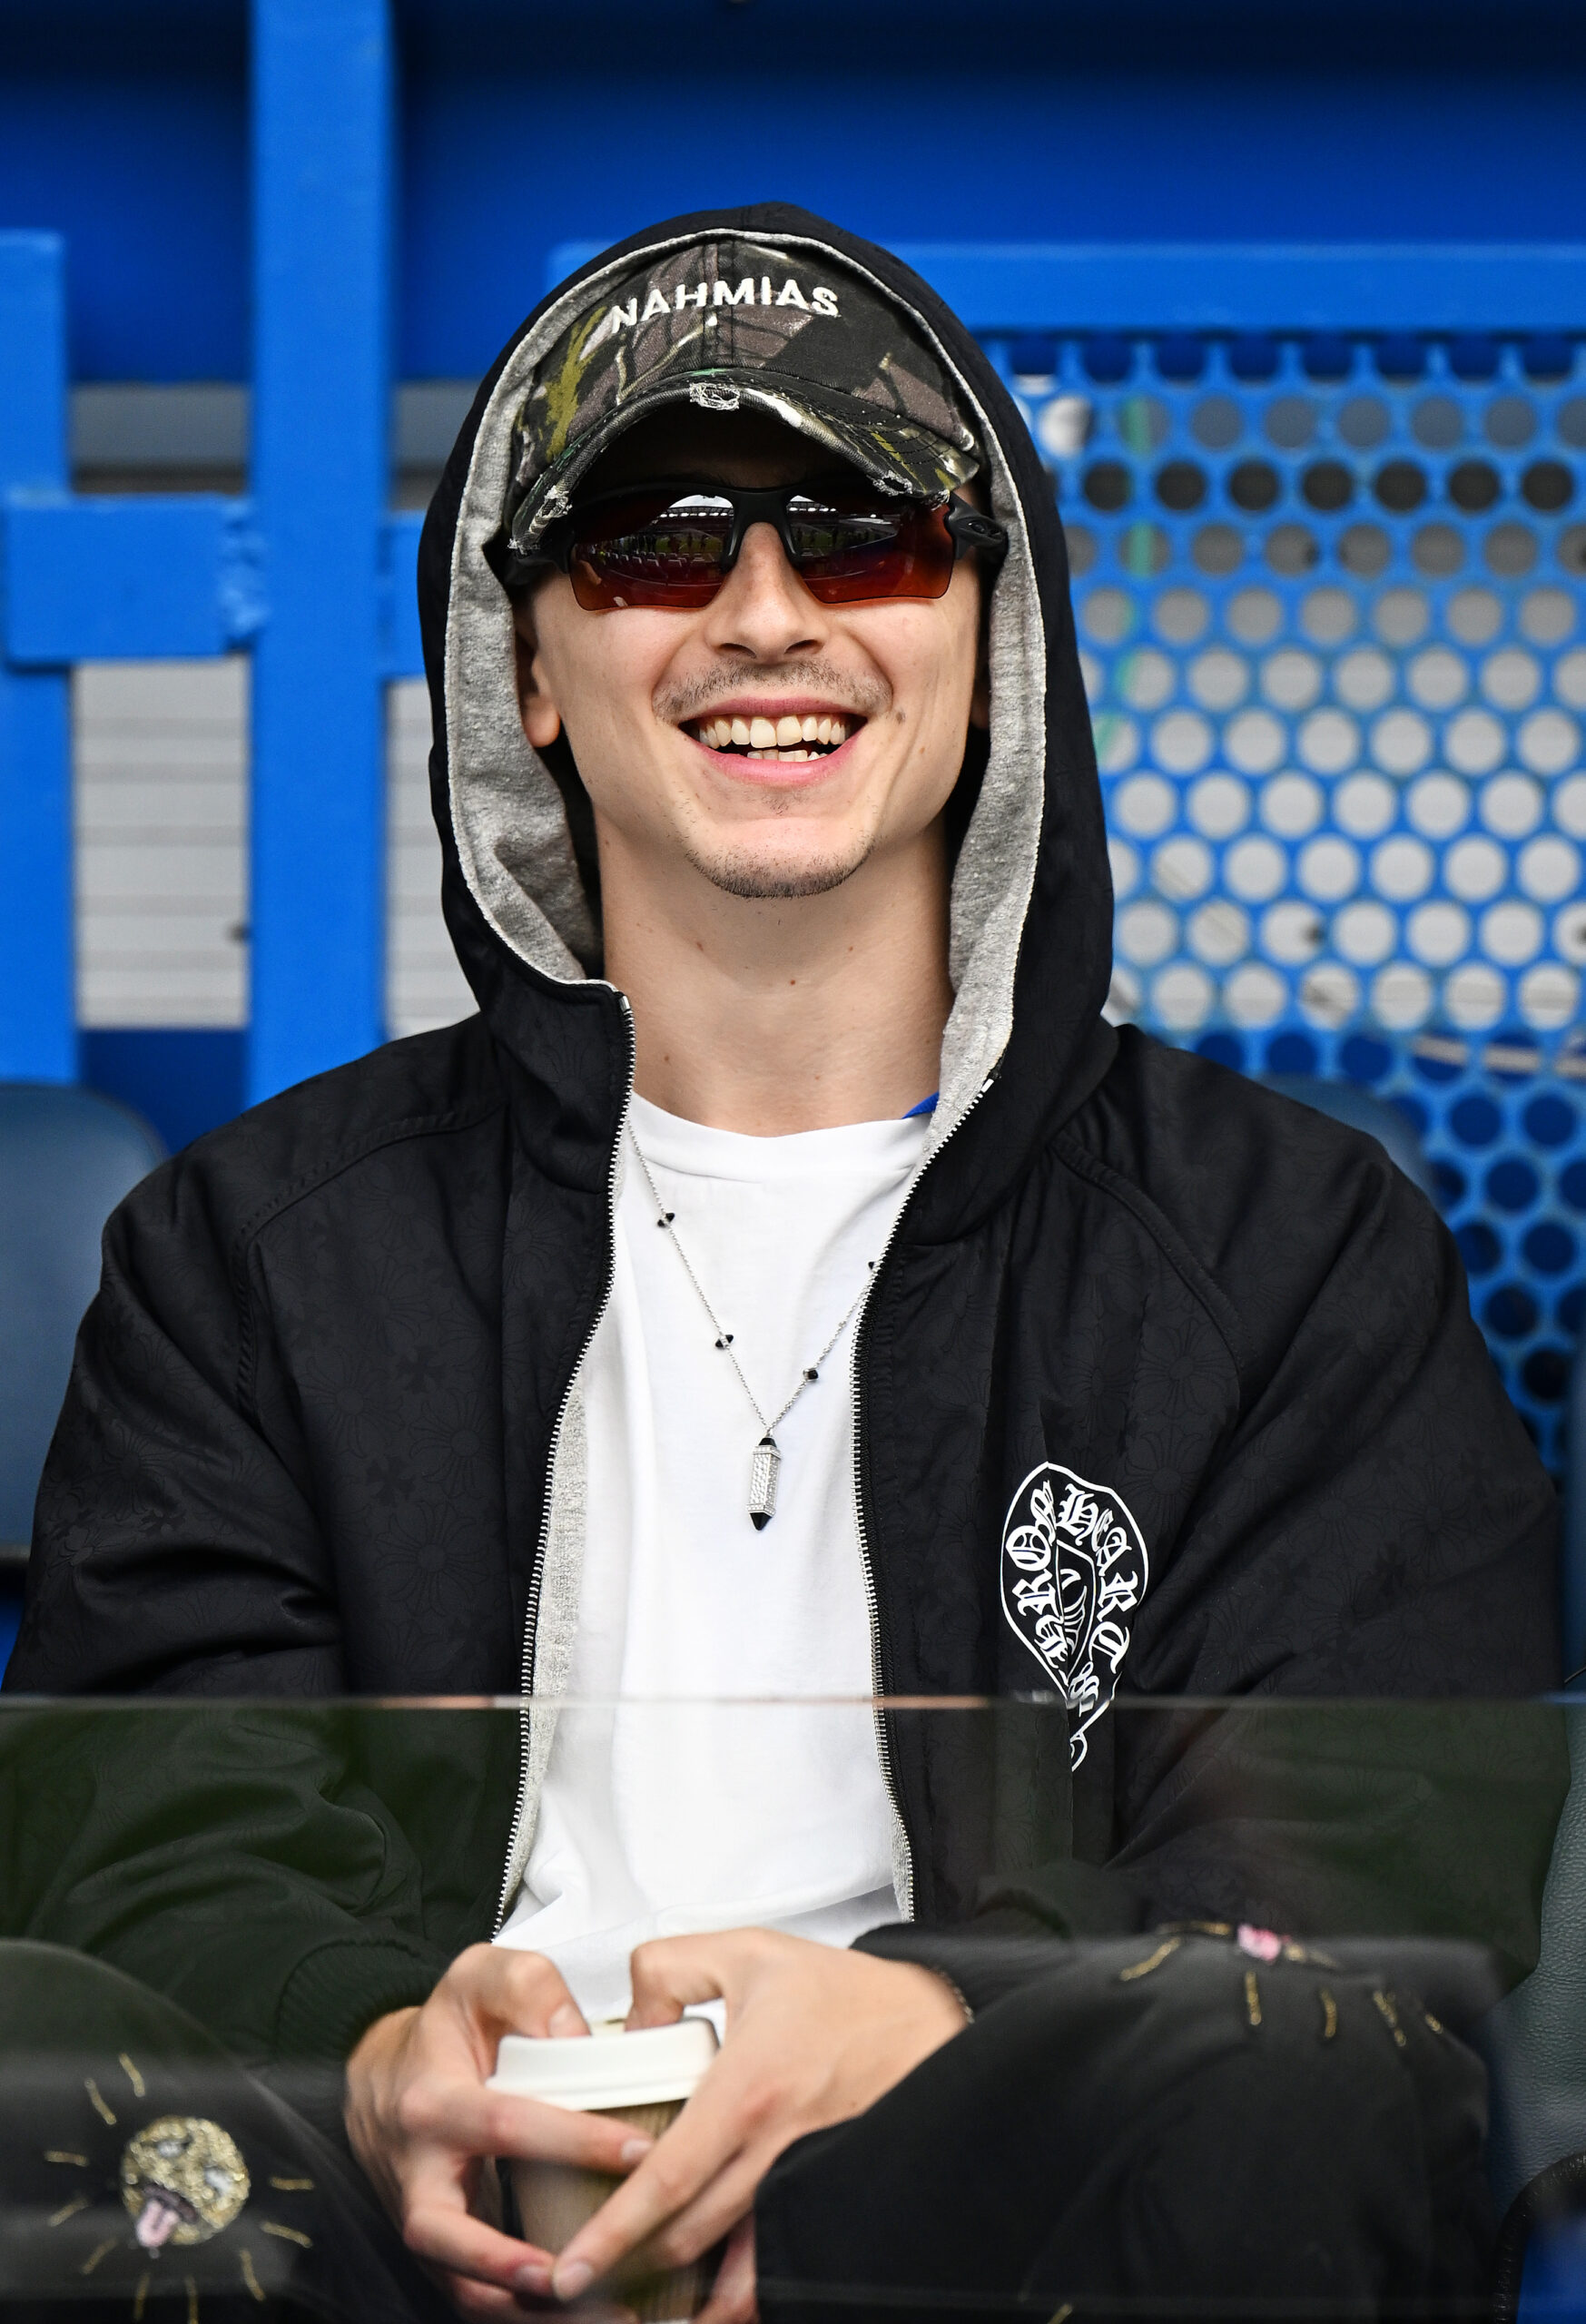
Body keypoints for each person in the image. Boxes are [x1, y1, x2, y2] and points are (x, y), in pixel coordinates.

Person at [3, 204, 1561, 2321]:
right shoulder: (252, 1252)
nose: (763, 612)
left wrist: (922, 2026)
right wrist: (381, 2057)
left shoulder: (1284, 1253)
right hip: (397, 2224)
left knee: (1296, 2075)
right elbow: (159, 1823)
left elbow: (1363, 1852)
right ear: (527, 667)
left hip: (979, 2200)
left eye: (864, 532)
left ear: (985, 631)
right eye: (653, 540)